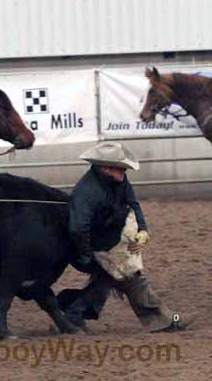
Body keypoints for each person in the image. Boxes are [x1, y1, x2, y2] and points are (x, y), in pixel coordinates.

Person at [59, 142, 196, 333]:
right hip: (99, 246)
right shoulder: (87, 192)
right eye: (121, 168)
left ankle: (72, 314)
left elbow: (132, 203)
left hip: (113, 240)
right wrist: (89, 255)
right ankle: (168, 321)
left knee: (107, 279)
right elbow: (78, 228)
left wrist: (143, 229)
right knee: (132, 278)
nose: (124, 172)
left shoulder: (118, 180)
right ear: (106, 168)